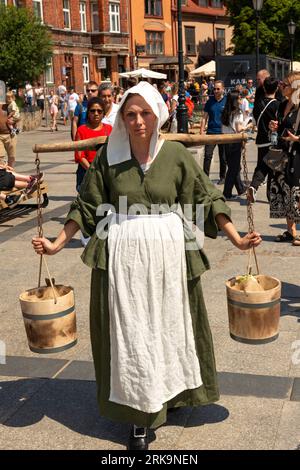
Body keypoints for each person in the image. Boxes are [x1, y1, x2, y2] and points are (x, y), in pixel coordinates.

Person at [32, 81, 261, 451]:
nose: (138, 121)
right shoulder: (110, 156)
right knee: (131, 334)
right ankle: (140, 416)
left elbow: (206, 196)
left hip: (169, 256)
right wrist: (57, 242)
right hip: (122, 259)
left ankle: (170, 395)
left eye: (145, 113)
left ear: (158, 115)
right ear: (122, 117)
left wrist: (236, 237)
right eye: (131, 114)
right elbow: (87, 204)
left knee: (170, 326)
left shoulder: (175, 155)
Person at [268, 72, 300, 245]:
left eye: (285, 84)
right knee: (284, 190)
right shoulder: (282, 106)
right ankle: (290, 231)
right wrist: (273, 127)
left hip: (297, 155)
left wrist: (297, 139)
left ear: (295, 87)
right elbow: (278, 127)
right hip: (281, 154)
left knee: (296, 193)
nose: (281, 86)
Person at [248, 77, 279, 203]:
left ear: (264, 88)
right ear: (276, 88)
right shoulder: (277, 105)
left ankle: (253, 186)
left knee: (261, 166)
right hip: (273, 141)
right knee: (273, 169)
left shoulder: (258, 104)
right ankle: (270, 196)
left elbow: (254, 121)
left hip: (261, 140)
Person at [74, 97, 112, 191]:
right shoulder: (81, 130)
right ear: (88, 112)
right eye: (93, 111)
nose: (96, 114)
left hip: (104, 170)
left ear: (103, 113)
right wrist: (92, 170)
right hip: (85, 170)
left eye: (99, 111)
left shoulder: (109, 129)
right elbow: (79, 155)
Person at [221, 91, 247, 200]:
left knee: (233, 166)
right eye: (239, 98)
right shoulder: (238, 112)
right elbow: (238, 129)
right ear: (235, 100)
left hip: (225, 141)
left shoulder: (225, 111)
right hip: (235, 141)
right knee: (233, 168)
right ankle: (226, 193)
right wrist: (249, 125)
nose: (241, 101)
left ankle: (241, 189)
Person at [200, 80, 227, 184]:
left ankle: (223, 177)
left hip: (223, 133)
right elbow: (204, 117)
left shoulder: (226, 101)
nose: (215, 91)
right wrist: (201, 131)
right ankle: (205, 177)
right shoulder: (209, 101)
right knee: (207, 156)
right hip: (211, 132)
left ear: (223, 89)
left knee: (223, 157)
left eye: (218, 89)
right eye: (214, 88)